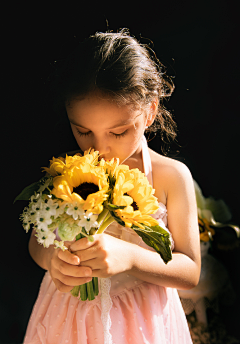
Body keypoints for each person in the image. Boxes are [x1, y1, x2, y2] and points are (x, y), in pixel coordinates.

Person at [24, 29, 201, 344]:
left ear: (149, 111)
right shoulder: (71, 173)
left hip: (143, 323)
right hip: (69, 320)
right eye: (83, 131)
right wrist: (52, 258)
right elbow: (38, 240)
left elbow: (189, 271)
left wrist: (131, 257)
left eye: (118, 132)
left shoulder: (170, 176)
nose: (99, 149)